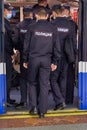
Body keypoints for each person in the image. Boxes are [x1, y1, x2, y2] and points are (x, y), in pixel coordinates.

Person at [23, 7, 61, 118]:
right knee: (44, 84)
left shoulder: (31, 27)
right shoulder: (53, 28)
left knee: (32, 83)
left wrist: (25, 59)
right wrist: (55, 61)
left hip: (33, 59)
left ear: (36, 16)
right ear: (47, 16)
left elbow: (26, 45)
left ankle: (34, 107)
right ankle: (42, 111)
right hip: (46, 60)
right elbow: (56, 47)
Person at [50, 4, 75, 110]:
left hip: (55, 56)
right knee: (63, 78)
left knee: (53, 79)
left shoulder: (52, 24)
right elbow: (73, 41)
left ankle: (59, 101)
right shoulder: (70, 24)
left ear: (54, 13)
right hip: (66, 56)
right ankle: (63, 100)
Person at [13, 6, 34, 108]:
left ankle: (23, 100)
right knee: (34, 79)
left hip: (23, 56)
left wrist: (18, 49)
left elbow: (16, 40)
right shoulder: (35, 25)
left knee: (23, 78)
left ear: (24, 14)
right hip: (34, 55)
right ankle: (34, 101)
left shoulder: (19, 26)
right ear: (31, 14)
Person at [62, 4, 78, 104]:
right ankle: (67, 98)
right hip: (69, 53)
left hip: (67, 54)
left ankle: (66, 98)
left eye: (63, 10)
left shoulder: (70, 24)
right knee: (67, 76)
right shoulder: (71, 23)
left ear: (68, 12)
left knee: (66, 77)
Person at [4, 2, 16, 106]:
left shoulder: (5, 22)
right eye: (9, 10)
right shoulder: (4, 23)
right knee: (7, 77)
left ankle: (7, 97)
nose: (10, 12)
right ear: (3, 11)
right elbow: (7, 41)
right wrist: (12, 52)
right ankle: (5, 99)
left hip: (5, 53)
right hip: (5, 54)